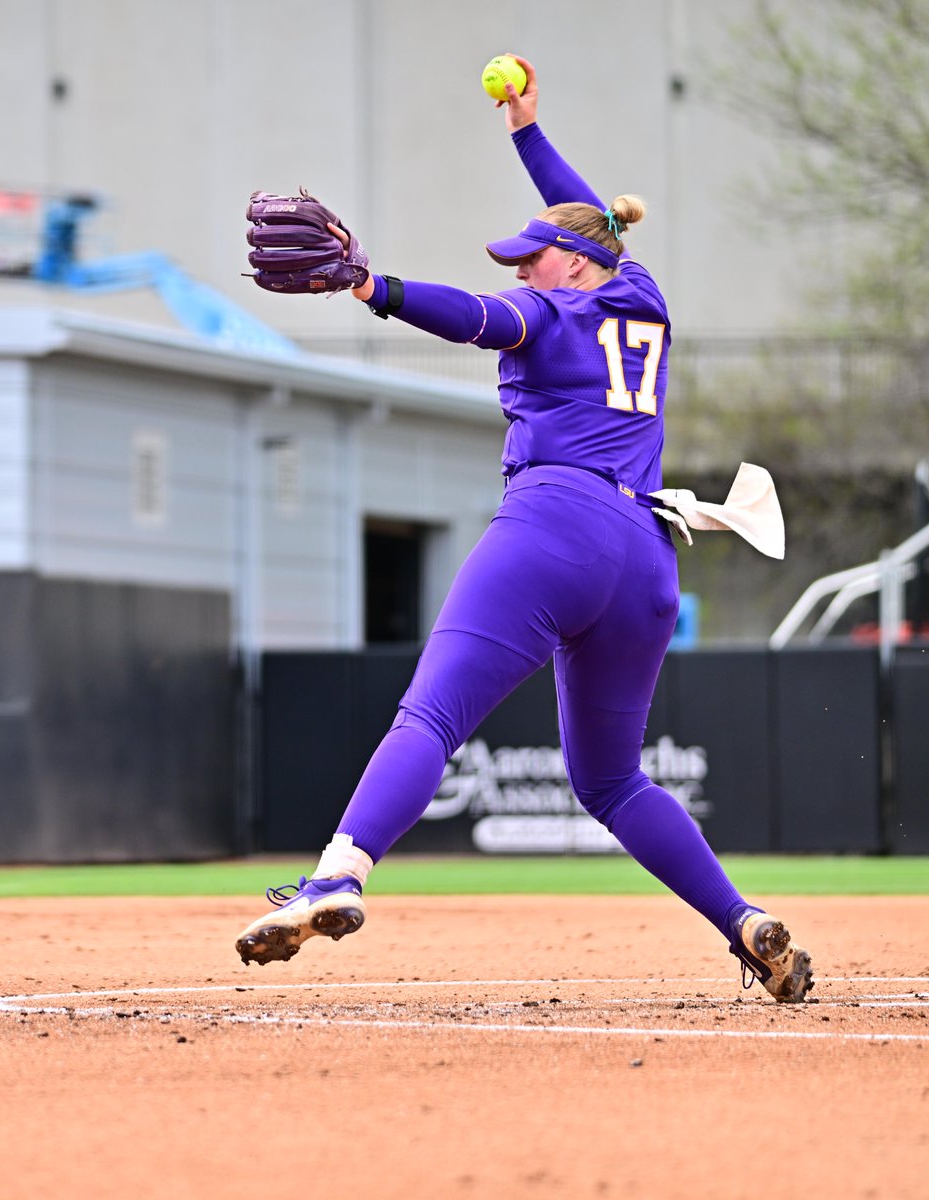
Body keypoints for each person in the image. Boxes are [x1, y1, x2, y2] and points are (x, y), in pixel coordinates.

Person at [235, 55, 814, 1003]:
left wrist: (371, 285)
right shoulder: (643, 299)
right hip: (645, 560)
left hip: (557, 526)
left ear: (575, 266)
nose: (519, 266)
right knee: (613, 782)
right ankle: (747, 924)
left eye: (532, 256)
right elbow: (584, 219)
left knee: (429, 715)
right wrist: (526, 133)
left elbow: (473, 317)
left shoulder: (549, 307)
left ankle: (338, 874)